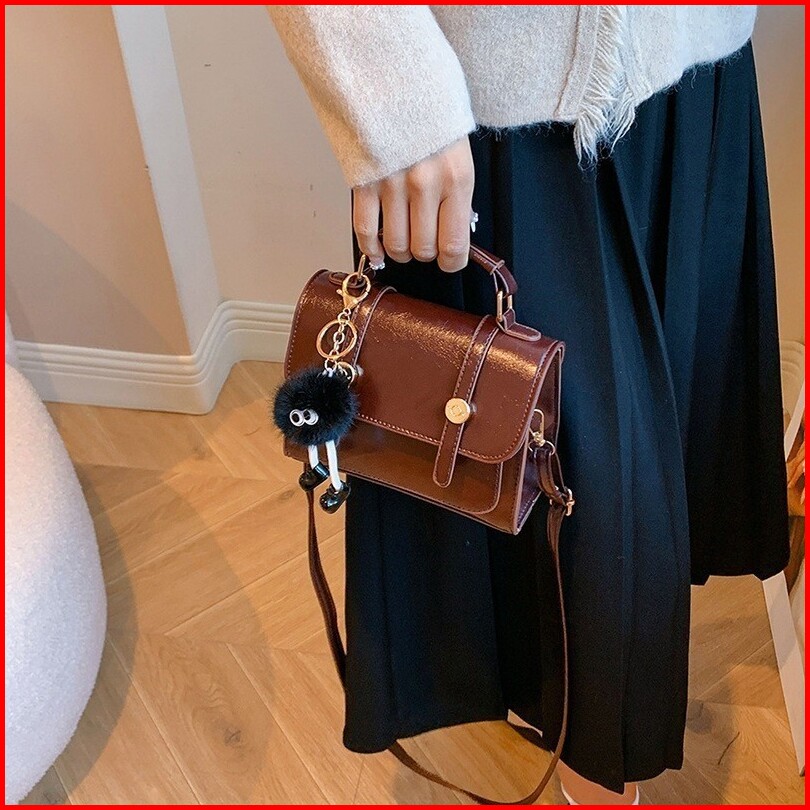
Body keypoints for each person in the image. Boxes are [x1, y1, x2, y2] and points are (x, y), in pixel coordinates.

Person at [267, 6, 790, 805]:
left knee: (650, 446)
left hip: (702, 65)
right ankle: (581, 748)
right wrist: (395, 94)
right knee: (562, 475)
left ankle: (567, 713)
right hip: (500, 91)